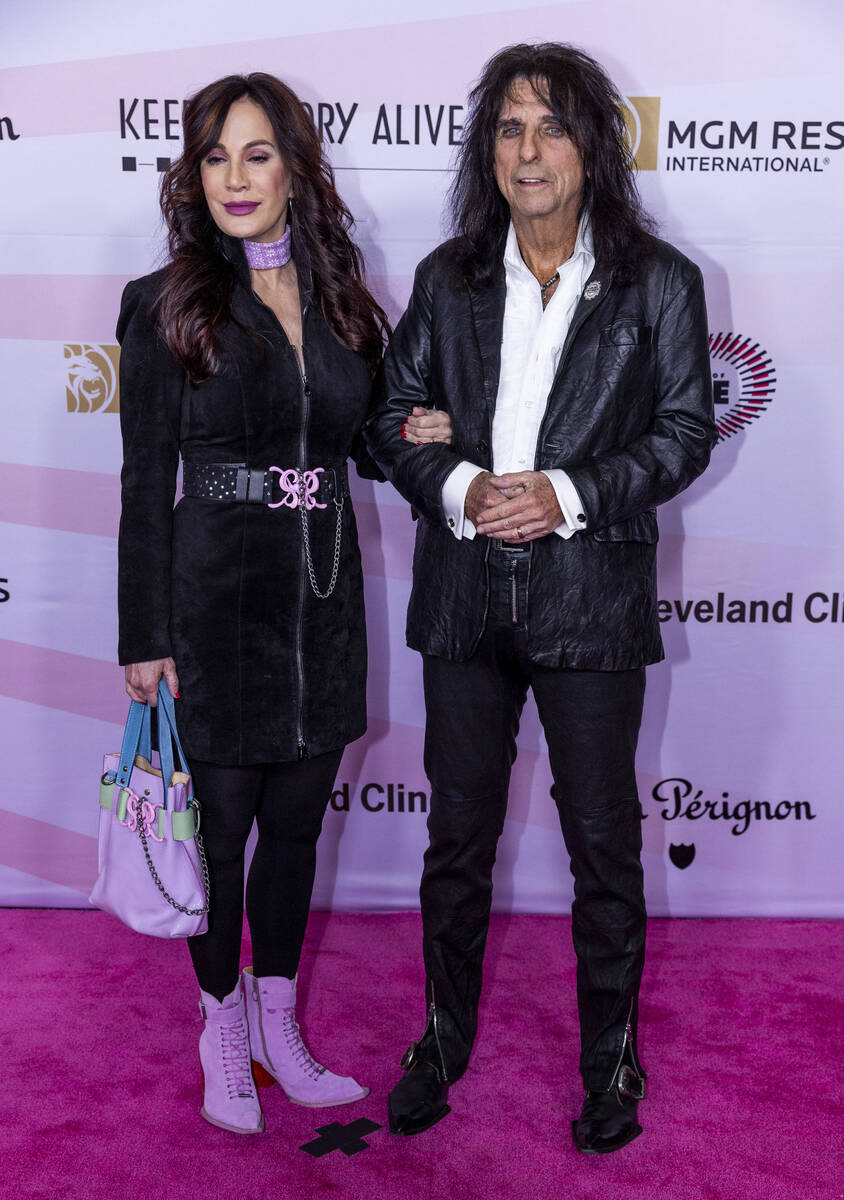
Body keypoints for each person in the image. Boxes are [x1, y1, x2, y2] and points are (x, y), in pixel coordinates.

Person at [365, 42, 716, 1153]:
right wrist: (467, 486)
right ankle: (439, 1036)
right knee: (456, 841)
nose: (528, 151)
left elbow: (684, 431)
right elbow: (388, 421)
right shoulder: (446, 277)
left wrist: (561, 492)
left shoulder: (660, 282)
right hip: (465, 599)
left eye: (551, 127)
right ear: (488, 149)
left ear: (592, 148)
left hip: (588, 600)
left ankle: (609, 1059)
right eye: (509, 128)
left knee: (603, 845)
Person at [116, 72, 450, 1135]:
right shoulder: (164, 301)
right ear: (193, 174)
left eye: (256, 153)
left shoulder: (347, 299)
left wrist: (419, 440)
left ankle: (278, 1027)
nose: (234, 177)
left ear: (295, 168)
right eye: (214, 156)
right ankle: (218, 1027)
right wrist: (143, 636)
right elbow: (141, 483)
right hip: (212, 597)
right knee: (217, 837)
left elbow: (366, 440)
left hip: (322, 597)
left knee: (299, 829)